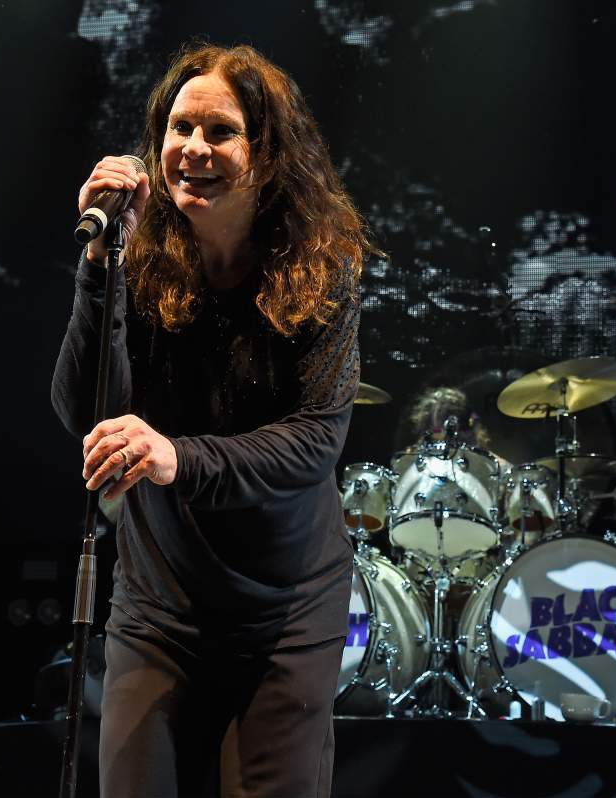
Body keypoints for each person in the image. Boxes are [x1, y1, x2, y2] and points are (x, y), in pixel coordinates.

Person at [52, 42, 374, 797]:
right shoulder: (140, 253)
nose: (192, 149)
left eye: (219, 132)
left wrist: (177, 459)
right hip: (160, 607)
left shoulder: (322, 267)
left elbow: (315, 442)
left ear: (265, 152)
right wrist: (99, 268)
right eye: (178, 128)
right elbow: (84, 411)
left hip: (284, 615)